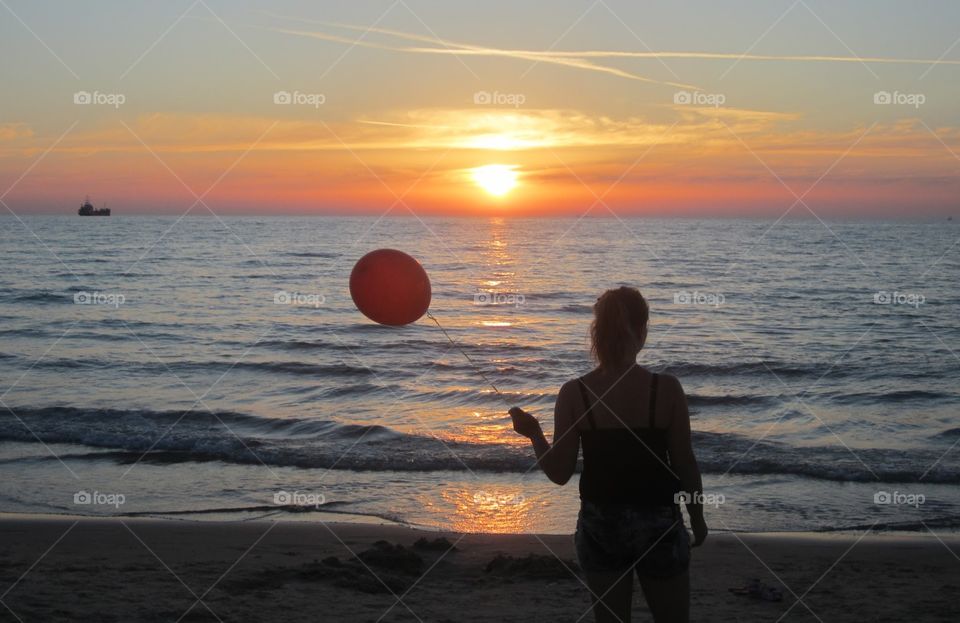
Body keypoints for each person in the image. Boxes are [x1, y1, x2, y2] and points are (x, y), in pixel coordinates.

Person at [509, 286, 707, 623]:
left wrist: (534, 435)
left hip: (601, 526)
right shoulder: (666, 389)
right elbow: (684, 463)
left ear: (596, 334)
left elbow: (559, 473)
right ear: (642, 331)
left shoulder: (575, 393)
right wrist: (698, 517)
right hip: (658, 522)